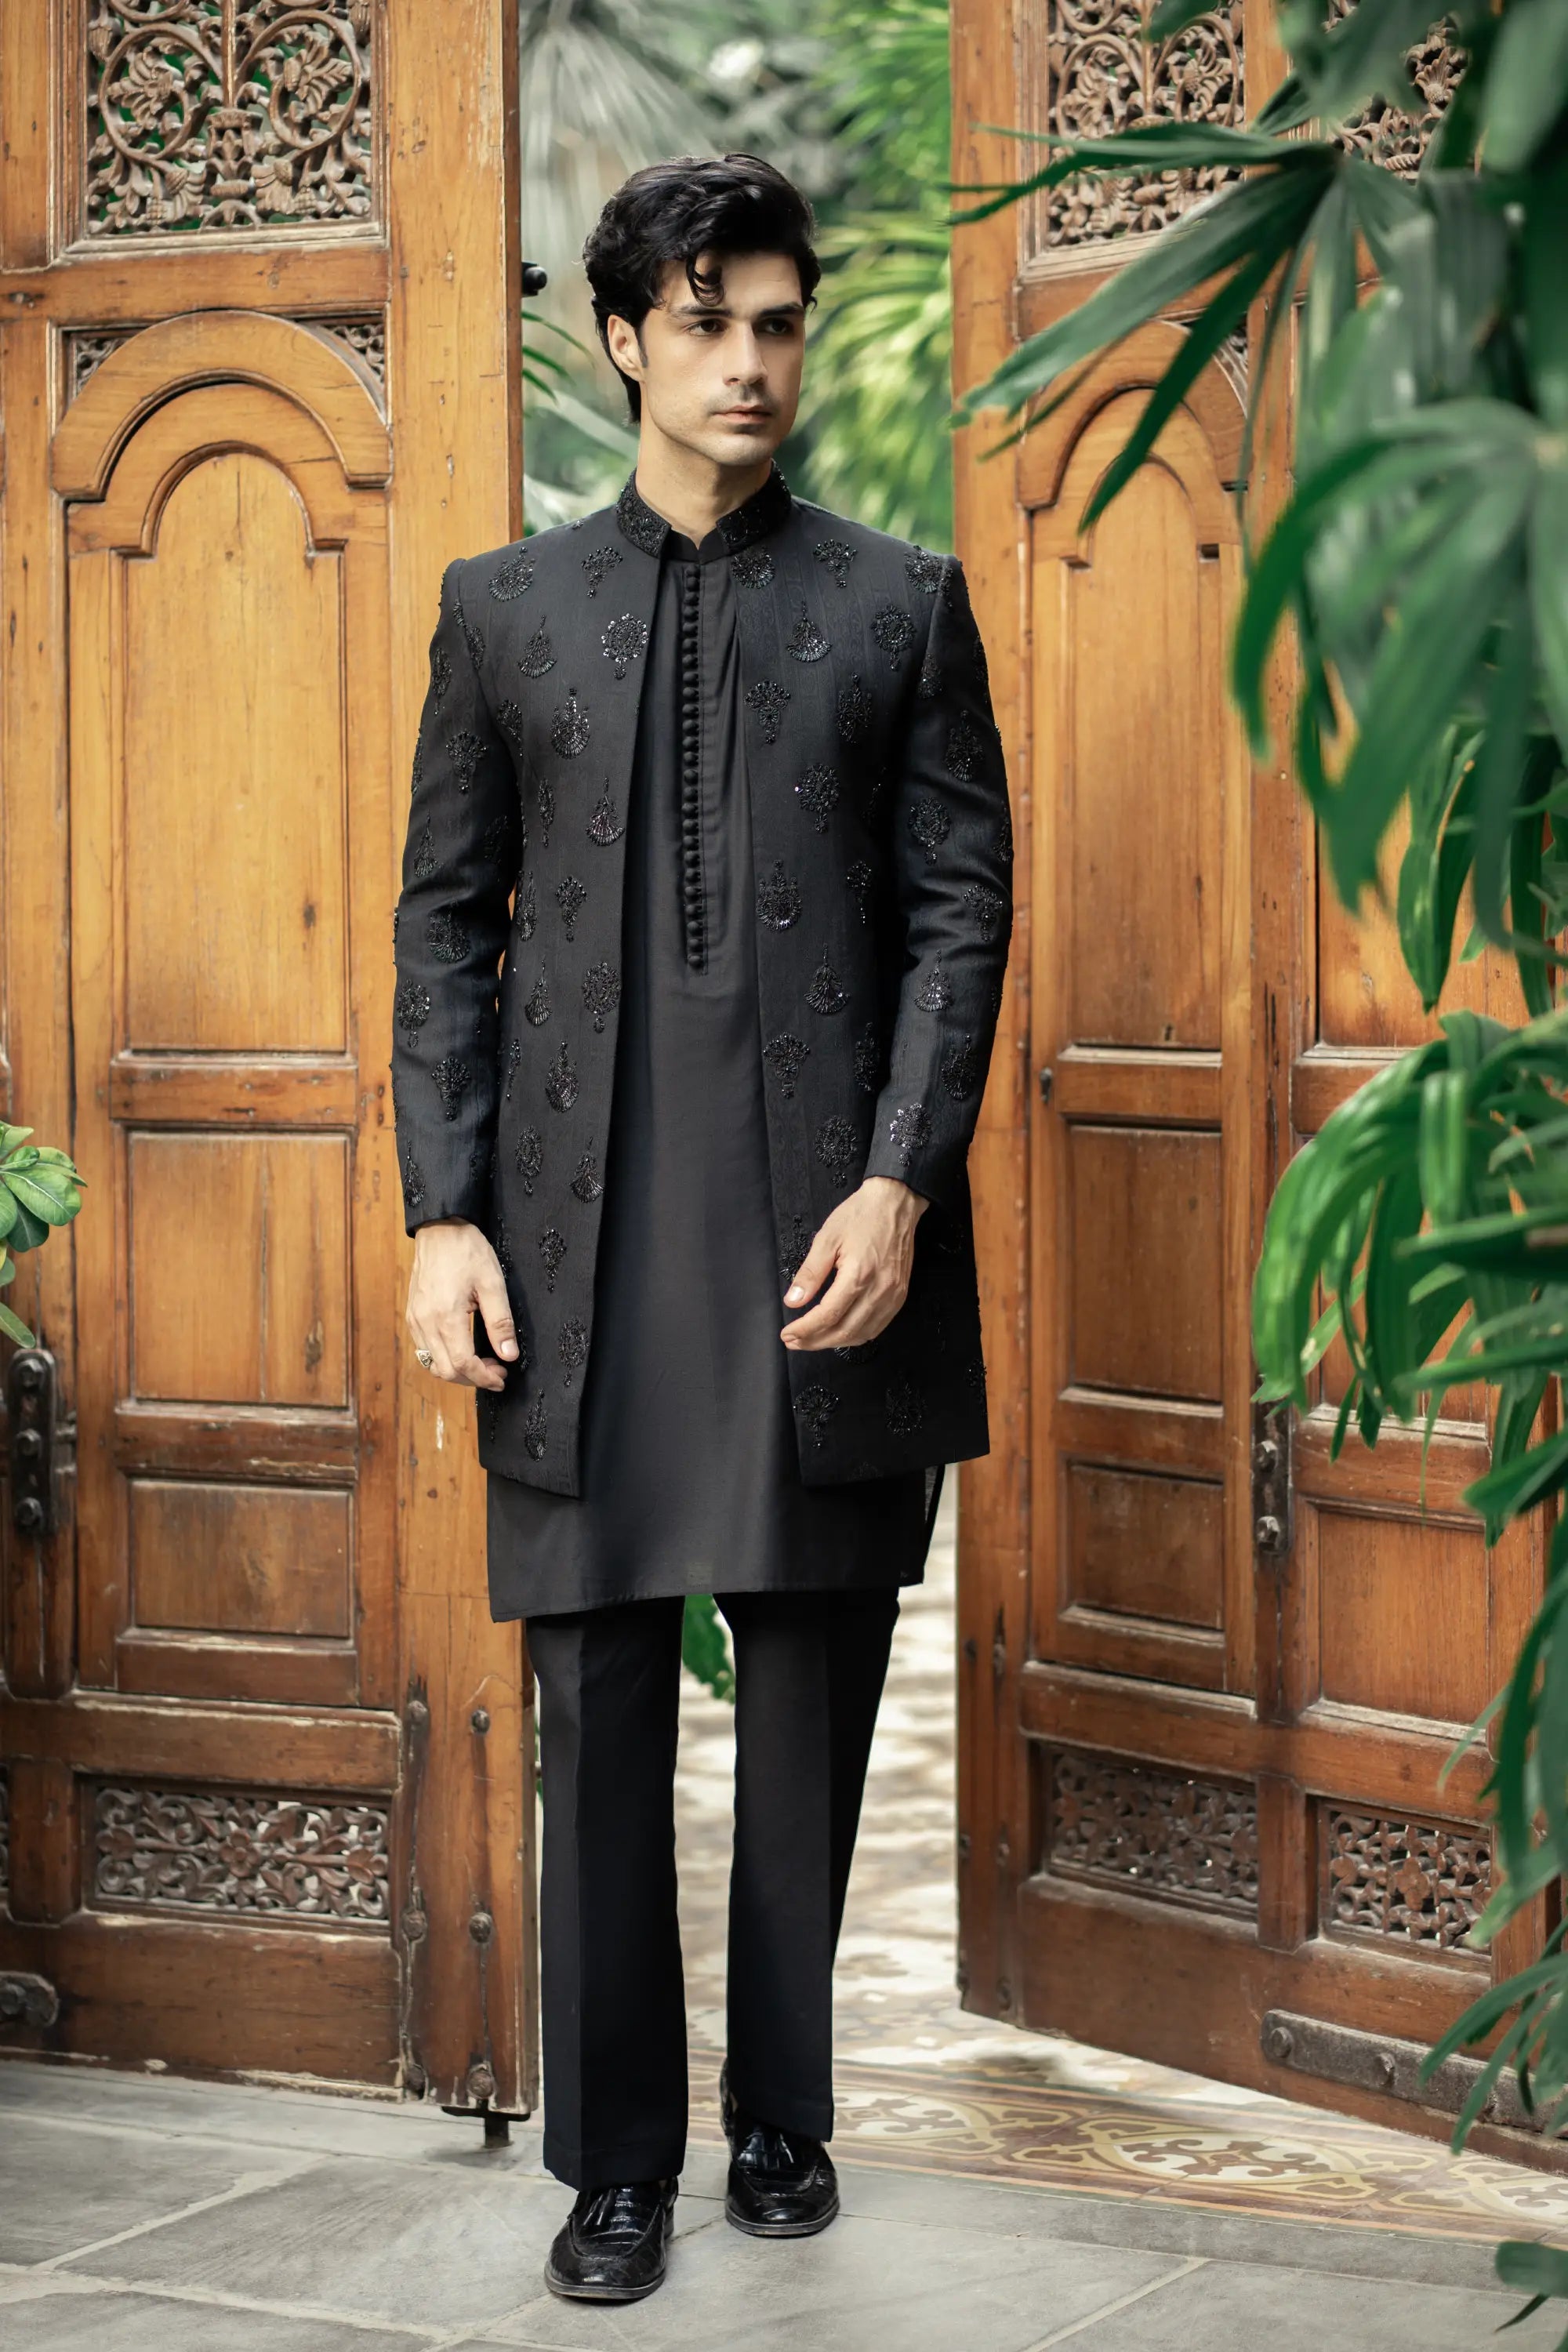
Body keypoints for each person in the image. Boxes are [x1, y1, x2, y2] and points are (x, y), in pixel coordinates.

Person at [390, 152, 1012, 2304]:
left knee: (810, 1689)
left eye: (781, 321)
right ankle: (618, 2165)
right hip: (572, 1248)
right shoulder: (505, 610)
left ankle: (784, 2121)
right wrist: (440, 1219)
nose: (752, 362)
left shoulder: (902, 600)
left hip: (820, 1238)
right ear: (624, 338)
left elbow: (959, 911)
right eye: (710, 321)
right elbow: (440, 928)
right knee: (597, 1708)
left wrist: (901, 1178)